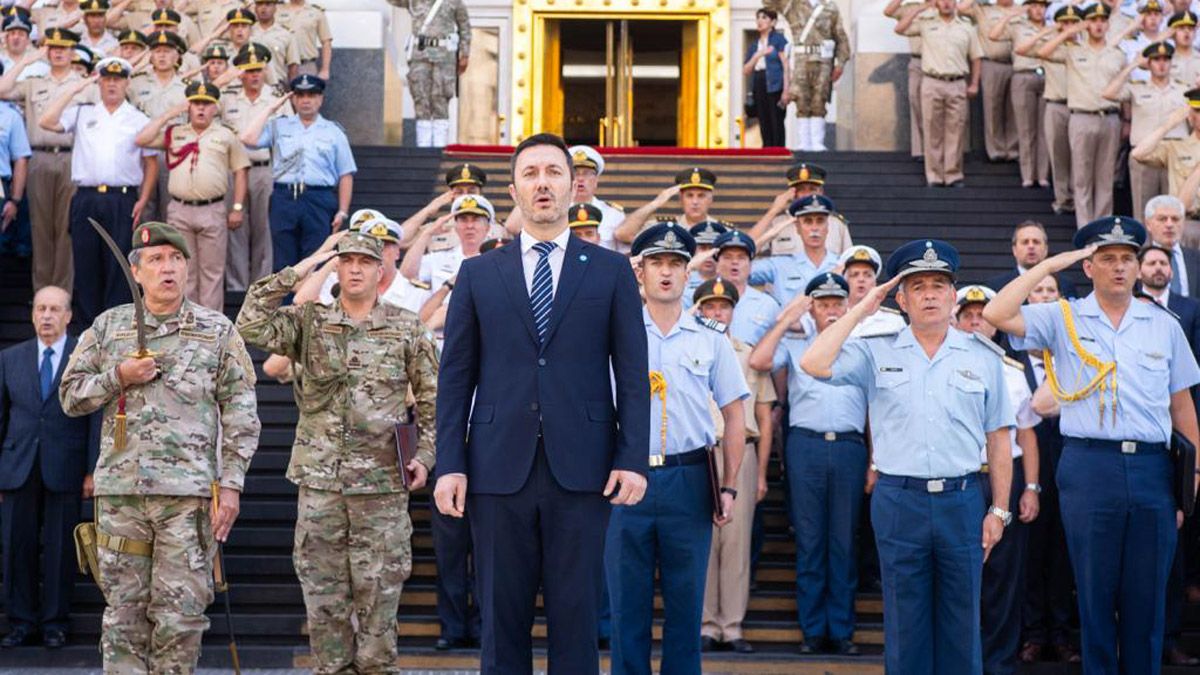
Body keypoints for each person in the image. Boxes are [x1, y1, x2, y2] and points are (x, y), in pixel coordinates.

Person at [432, 133, 648, 675]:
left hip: (584, 470)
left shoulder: (610, 270)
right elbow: (455, 377)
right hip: (496, 468)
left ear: (574, 186)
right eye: (531, 173)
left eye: (554, 171)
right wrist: (450, 464)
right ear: (514, 189)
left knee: (576, 623)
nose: (543, 182)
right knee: (501, 624)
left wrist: (632, 457)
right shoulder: (481, 274)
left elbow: (632, 374)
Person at [984, 215, 1200, 674]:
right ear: (1088, 267)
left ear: (1139, 267)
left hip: (1151, 467)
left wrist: (1193, 475)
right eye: (1107, 259)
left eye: (1127, 259)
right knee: (1095, 589)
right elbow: (996, 314)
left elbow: (1182, 406)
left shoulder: (1164, 325)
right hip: (1089, 465)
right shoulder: (1063, 317)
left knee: (1147, 594)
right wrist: (1050, 264)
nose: (1119, 267)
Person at [801, 238, 1015, 675]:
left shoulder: (983, 357)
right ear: (900, 298)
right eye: (918, 286)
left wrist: (999, 509)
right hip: (900, 500)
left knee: (961, 623)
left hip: (961, 498)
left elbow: (998, 437)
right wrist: (862, 308)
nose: (931, 294)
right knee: (905, 625)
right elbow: (813, 363)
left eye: (939, 285)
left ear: (954, 295)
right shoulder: (876, 350)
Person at [59, 221, 261, 672]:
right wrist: (119, 377)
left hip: (188, 502)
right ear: (137, 271)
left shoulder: (217, 331)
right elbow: (70, 397)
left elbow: (243, 415)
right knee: (124, 619)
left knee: (181, 618)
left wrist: (231, 485)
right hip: (122, 498)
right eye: (155, 260)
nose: (167, 268)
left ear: (188, 268)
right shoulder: (109, 328)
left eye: (176, 259)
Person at [237, 230, 437, 673]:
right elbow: (250, 321)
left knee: (379, 607)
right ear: (337, 268)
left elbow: (432, 399)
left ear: (380, 271)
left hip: (382, 488)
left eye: (364, 262)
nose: (354, 269)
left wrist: (425, 456)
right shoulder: (310, 323)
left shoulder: (405, 327)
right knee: (324, 605)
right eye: (345, 261)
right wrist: (308, 263)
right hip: (321, 487)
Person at [606, 223, 748, 675]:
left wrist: (728, 486)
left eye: (674, 264)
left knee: (686, 607)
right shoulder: (616, 333)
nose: (665, 273)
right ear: (640, 272)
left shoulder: (710, 337)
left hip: (688, 478)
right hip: (627, 478)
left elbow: (734, 415)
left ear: (689, 274)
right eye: (655, 263)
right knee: (627, 605)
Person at [749, 272, 869, 656]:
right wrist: (788, 318)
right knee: (811, 540)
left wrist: (875, 461)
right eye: (823, 304)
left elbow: (875, 413)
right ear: (812, 308)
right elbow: (760, 359)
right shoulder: (797, 346)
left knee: (844, 541)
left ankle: (842, 630)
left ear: (848, 307)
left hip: (850, 447)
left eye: (838, 304)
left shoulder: (861, 348)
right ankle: (813, 630)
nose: (831, 311)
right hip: (806, 446)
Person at [0, 286, 99, 650]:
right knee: (16, 547)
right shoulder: (10, 358)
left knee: (60, 549)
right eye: (41, 308)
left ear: (69, 316)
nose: (46, 316)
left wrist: (92, 469)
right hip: (17, 466)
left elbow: (95, 416)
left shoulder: (83, 356)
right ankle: (21, 622)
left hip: (66, 465)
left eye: (55, 309)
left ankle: (56, 623)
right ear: (32, 314)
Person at [955, 284, 1043, 675]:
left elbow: (1026, 433)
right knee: (960, 576)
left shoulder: (1011, 371)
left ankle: (999, 662)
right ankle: (964, 661)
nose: (976, 321)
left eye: (983, 315)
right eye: (968, 315)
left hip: (1003, 480)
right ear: (956, 321)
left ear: (995, 324)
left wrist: (1031, 487)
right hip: (961, 481)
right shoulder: (944, 366)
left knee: (1003, 577)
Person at [38, 56, 156, 328]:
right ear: (99, 81)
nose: (112, 84)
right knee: (86, 262)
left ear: (127, 82)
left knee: (119, 264)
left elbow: (150, 162)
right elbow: (46, 121)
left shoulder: (137, 118)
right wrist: (75, 88)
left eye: (117, 79)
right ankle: (88, 330)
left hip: (122, 197)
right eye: (106, 79)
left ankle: (119, 328)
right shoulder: (83, 112)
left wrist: (144, 198)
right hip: (86, 197)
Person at [694, 276, 774, 655]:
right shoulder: (689, 346)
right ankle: (708, 623)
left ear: (733, 310)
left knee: (736, 543)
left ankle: (732, 625)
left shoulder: (748, 353)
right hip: (701, 451)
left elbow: (764, 413)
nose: (716, 313)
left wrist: (759, 473)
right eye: (708, 306)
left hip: (741, 451)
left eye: (723, 306)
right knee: (705, 544)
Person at [1137, 243, 1200, 666]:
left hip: (1176, 439)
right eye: (1151, 262)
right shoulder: (1124, 316)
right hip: (1137, 441)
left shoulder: (1187, 311)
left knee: (1172, 556)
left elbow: (1189, 388)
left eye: (1164, 261)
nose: (1158, 267)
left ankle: (1169, 637)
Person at [136, 81, 249, 312]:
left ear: (215, 108)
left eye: (206, 104)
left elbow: (241, 170)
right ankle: (185, 322)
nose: (201, 109)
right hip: (179, 209)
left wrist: (237, 206)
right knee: (182, 269)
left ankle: (209, 327)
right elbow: (142, 139)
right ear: (188, 106)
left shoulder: (225, 135)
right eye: (196, 103)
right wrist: (170, 113)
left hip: (212, 208)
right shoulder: (175, 133)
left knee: (212, 272)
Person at [1017, 273, 1079, 665]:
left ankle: (1063, 634)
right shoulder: (1011, 354)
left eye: (1050, 290)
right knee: (1030, 553)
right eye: (1036, 289)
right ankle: (1034, 633)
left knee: (1064, 554)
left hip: (1071, 463)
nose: (1043, 295)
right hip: (1029, 468)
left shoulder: (1076, 352)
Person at [240, 73, 356, 270]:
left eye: (311, 95)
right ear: (293, 99)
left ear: (320, 99)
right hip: (285, 198)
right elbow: (248, 138)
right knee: (283, 262)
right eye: (300, 96)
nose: (306, 101)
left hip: (318, 198)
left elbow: (346, 174)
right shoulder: (279, 125)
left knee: (316, 259)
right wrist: (270, 109)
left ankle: (309, 301)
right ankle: (285, 302)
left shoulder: (333, 131)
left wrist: (343, 211)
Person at [0, 29, 79, 298]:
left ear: (72, 52)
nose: (58, 52)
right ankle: (43, 296)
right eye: (52, 47)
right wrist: (27, 61)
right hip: (39, 158)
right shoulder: (34, 80)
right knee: (41, 229)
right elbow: (1, 89)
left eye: (63, 48)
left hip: (71, 158)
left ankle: (62, 297)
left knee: (65, 229)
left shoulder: (82, 84)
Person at [1038, 3, 1126, 228]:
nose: (1097, 25)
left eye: (1101, 20)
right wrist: (1070, 30)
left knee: (1105, 177)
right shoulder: (1073, 50)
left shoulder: (1117, 54)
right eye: (1093, 20)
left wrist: (1127, 120)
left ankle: (1103, 224)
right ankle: (1085, 225)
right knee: (1082, 176)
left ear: (1107, 24)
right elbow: (1043, 52)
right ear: (1086, 24)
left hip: (1110, 117)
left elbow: (1124, 87)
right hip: (1081, 117)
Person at [220, 42, 292, 290]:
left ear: (265, 71)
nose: (253, 76)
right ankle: (236, 287)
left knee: (264, 230)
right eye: (248, 70)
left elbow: (287, 136)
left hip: (264, 169)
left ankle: (261, 286)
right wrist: (224, 78)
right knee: (235, 229)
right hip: (233, 170)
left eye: (258, 70)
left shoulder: (277, 99)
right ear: (241, 72)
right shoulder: (227, 98)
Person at [895, 0, 983, 187]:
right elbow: (900, 29)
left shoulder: (966, 27)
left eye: (950, 0)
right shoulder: (927, 23)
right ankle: (934, 175)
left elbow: (976, 57)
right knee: (931, 129)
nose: (946, 3)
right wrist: (919, 9)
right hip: (932, 81)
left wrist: (974, 83)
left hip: (957, 82)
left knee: (956, 130)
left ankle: (953, 174)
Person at [1103, 42, 1188, 219]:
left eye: (1166, 59)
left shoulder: (1184, 90)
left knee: (1173, 214)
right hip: (1144, 157)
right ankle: (1145, 248)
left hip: (1174, 157)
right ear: (1148, 64)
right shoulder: (1137, 87)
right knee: (1143, 213)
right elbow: (1108, 93)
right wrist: (1133, 65)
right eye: (1156, 60)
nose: (1162, 64)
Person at [1014, 4, 1078, 215]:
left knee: (1079, 158)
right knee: (1059, 155)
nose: (1070, 27)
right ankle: (1062, 198)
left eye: (1073, 23)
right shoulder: (1051, 46)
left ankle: (1077, 198)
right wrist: (1051, 31)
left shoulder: (1084, 47)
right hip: (1056, 104)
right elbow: (1022, 49)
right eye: (1065, 23)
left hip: (1079, 107)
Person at [765, 0, 850, 151]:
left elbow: (841, 37)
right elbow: (769, 3)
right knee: (801, 99)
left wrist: (840, 63)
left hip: (823, 60)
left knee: (820, 98)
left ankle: (817, 142)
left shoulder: (830, 8)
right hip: (801, 60)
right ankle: (804, 142)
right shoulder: (793, 5)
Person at [389, 0, 470, 147]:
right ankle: (423, 144)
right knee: (420, 96)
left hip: (443, 57)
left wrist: (464, 53)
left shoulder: (453, 2)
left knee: (440, 96)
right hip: (419, 55)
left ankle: (439, 144)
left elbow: (464, 26)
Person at [990, 0, 1051, 187]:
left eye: (1041, 6)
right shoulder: (1019, 27)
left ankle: (1042, 175)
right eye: (1033, 5)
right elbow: (993, 34)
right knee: (1025, 129)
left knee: (1044, 131)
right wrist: (1011, 15)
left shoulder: (1052, 28)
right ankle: (1027, 174)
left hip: (1047, 78)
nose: (1038, 10)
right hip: (1024, 75)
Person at [1133, 90, 1200, 247]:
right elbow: (1138, 153)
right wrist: (1169, 125)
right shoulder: (1176, 147)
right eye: (1197, 111)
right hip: (1186, 223)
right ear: (1190, 115)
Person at [749, 194, 839, 306]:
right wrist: (767, 236)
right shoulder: (780, 265)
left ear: (827, 226)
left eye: (820, 221)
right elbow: (736, 272)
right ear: (797, 228)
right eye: (808, 221)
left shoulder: (842, 264)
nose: (814, 228)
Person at [748, 162, 853, 257]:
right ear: (793, 193)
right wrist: (774, 210)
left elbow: (849, 262)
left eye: (812, 189)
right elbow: (747, 247)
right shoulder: (778, 223)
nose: (807, 195)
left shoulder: (837, 224)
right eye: (801, 190)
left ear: (821, 192)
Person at [961, 0, 1020, 163]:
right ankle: (996, 150)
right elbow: (960, 8)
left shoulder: (1021, 10)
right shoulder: (984, 10)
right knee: (992, 107)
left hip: (1016, 64)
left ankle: (1013, 149)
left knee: (1014, 109)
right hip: (992, 63)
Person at [710, 230, 781, 346]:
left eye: (741, 258)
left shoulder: (767, 305)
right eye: (727, 257)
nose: (734, 262)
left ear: (751, 266)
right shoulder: (701, 301)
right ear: (717, 265)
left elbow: (779, 348)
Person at [614, 167, 719, 245]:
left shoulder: (723, 230)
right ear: (681, 198)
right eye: (689, 196)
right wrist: (656, 203)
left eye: (701, 196)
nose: (695, 202)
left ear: (711, 199)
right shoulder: (662, 227)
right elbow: (622, 234)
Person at [884, 0, 931, 161]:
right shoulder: (911, 7)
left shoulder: (945, 8)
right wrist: (917, 10)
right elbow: (889, 11)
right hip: (918, 61)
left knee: (935, 109)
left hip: (940, 63)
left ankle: (934, 149)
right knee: (916, 103)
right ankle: (920, 150)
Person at [986, 220, 1080, 297]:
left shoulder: (1065, 285)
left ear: (1046, 249)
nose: (1031, 246)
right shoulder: (997, 286)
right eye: (1025, 242)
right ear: (1014, 250)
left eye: (1036, 242)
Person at [742, 8, 789, 149]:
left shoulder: (779, 40)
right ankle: (766, 148)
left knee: (776, 118)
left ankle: (778, 149)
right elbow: (746, 70)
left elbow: (786, 66)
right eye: (758, 18)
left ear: (773, 22)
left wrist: (786, 90)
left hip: (775, 82)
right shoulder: (754, 45)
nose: (759, 21)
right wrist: (758, 55)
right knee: (763, 118)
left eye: (764, 18)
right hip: (759, 81)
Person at [568, 145, 626, 252]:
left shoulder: (614, 214)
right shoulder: (557, 213)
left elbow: (623, 255)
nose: (580, 179)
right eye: (575, 173)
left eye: (586, 174)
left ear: (596, 180)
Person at [1144, 194, 1200, 297]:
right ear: (1148, 224)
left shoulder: (1197, 258)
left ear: (1183, 223)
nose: (1169, 225)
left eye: (1175, 219)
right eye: (1162, 219)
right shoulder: (1139, 259)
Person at [250, 0, 300, 85]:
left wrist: (292, 89)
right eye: (259, 4)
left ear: (275, 8)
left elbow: (293, 65)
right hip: (251, 84)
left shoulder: (286, 34)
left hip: (277, 84)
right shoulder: (248, 31)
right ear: (255, 8)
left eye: (268, 4)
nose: (263, 8)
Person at [277, 0, 332, 78]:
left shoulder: (316, 12)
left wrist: (325, 69)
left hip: (306, 66)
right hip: (281, 66)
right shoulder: (277, 10)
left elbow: (326, 42)